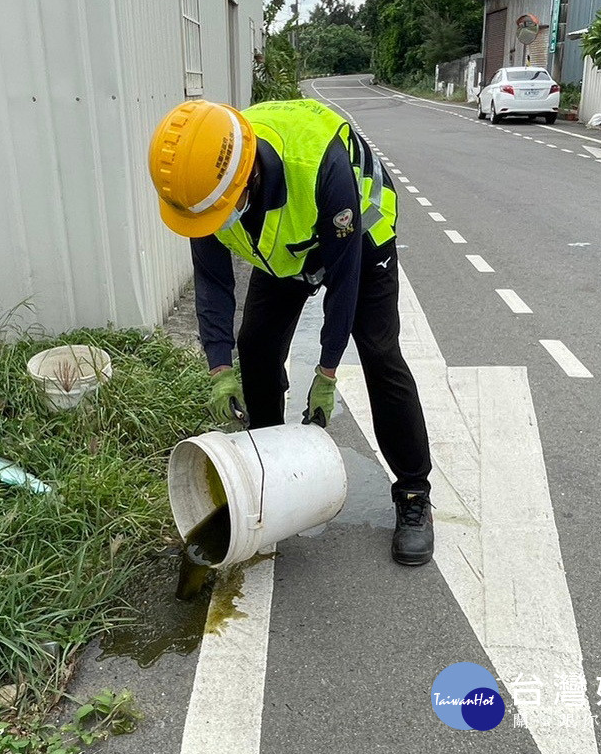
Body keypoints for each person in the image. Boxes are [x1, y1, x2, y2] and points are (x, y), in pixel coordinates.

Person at [147, 98, 434, 566]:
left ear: (249, 179)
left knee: (380, 354)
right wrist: (219, 366)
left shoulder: (320, 168)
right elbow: (213, 281)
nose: (211, 226)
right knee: (255, 346)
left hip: (357, 237)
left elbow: (344, 283)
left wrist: (327, 373)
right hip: (285, 248)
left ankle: (413, 495)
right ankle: (267, 469)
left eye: (219, 213)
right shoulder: (203, 185)